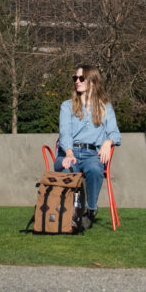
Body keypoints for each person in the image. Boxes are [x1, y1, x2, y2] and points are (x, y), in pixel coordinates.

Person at [54, 63, 121, 225]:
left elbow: (115, 133)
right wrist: (69, 153)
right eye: (75, 78)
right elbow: (65, 133)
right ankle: (72, 213)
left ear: (92, 81)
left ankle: (91, 209)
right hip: (68, 152)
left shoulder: (106, 108)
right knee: (67, 168)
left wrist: (108, 141)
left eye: (81, 78)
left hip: (92, 155)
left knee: (95, 168)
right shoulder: (67, 106)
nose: (77, 81)